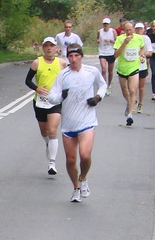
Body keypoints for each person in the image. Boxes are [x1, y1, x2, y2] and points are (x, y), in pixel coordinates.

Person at [45, 45, 107, 202]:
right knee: (71, 160)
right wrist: (61, 96)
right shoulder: (63, 75)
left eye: (76, 56)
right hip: (68, 124)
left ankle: (83, 178)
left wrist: (98, 98)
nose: (73, 59)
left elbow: (103, 84)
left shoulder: (91, 71)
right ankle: (76, 188)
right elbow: (51, 97)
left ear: (81, 56)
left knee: (85, 156)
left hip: (87, 121)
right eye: (70, 56)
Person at [24, 37, 67, 175]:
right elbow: (27, 81)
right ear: (43, 48)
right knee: (45, 132)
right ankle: (49, 143)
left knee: (53, 130)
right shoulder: (37, 63)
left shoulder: (62, 63)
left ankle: (52, 163)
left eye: (52, 46)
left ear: (56, 48)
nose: (49, 48)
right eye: (46, 46)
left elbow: (68, 80)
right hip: (40, 102)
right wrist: (37, 89)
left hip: (55, 102)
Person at [114, 20, 144, 126]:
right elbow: (116, 55)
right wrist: (124, 43)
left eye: (130, 30)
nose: (129, 32)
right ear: (123, 30)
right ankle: (130, 102)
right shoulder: (119, 39)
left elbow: (142, 47)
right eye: (126, 30)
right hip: (122, 68)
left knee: (132, 90)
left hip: (134, 67)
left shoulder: (139, 38)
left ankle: (130, 115)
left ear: (134, 29)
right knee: (124, 90)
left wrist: (142, 56)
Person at [134, 22, 152, 113]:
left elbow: (150, 52)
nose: (138, 31)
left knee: (141, 87)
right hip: (132, 66)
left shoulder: (146, 39)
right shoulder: (132, 38)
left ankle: (140, 103)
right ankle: (133, 101)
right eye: (137, 29)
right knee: (133, 87)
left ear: (144, 30)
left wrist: (143, 54)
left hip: (142, 66)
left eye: (140, 29)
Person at [96, 18, 117, 95]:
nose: (105, 25)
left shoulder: (113, 31)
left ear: (109, 25)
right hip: (102, 52)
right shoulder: (99, 31)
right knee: (104, 70)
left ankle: (109, 85)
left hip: (111, 52)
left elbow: (117, 41)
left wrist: (110, 41)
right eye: (104, 24)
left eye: (107, 24)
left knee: (110, 71)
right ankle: (103, 86)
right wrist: (98, 40)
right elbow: (97, 38)